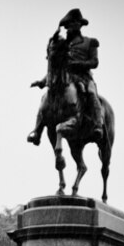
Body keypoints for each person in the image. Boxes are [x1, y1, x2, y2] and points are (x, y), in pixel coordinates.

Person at [28, 8, 104, 144]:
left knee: (92, 93)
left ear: (80, 25)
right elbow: (55, 67)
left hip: (84, 78)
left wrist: (78, 63)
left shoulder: (89, 42)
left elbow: (94, 62)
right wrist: (42, 81)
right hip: (64, 77)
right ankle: (37, 131)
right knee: (45, 98)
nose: (72, 25)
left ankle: (98, 125)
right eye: (70, 23)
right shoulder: (62, 44)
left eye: (76, 22)